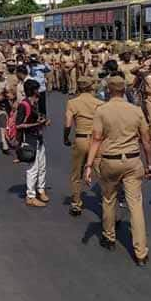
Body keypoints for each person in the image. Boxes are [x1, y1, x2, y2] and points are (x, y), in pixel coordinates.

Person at [84, 76, 151, 265]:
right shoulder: (136, 110)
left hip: (110, 161)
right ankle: (141, 251)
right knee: (135, 205)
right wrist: (150, 164)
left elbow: (96, 139)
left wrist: (89, 165)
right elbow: (146, 141)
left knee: (108, 200)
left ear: (108, 90)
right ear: (124, 90)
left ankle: (109, 237)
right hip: (132, 161)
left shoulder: (102, 111)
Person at [63, 77, 103, 217]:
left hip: (80, 139)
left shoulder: (73, 102)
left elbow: (68, 124)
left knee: (77, 174)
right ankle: (107, 203)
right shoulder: (99, 103)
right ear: (92, 87)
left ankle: (76, 203)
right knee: (101, 173)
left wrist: (65, 137)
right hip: (96, 140)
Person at [17, 79, 50, 207]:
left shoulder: (34, 103)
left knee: (42, 166)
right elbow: (19, 125)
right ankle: (30, 196)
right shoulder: (24, 105)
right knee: (32, 169)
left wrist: (42, 121)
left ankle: (41, 190)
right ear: (33, 91)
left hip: (38, 138)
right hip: (29, 140)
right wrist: (37, 124)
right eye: (37, 89)